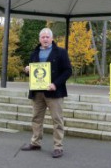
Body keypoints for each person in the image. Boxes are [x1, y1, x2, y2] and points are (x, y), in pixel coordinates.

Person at [21, 28, 73, 158]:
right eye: (43, 37)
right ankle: (35, 142)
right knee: (36, 118)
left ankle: (58, 147)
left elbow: (68, 71)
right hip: (37, 91)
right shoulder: (34, 53)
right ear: (39, 39)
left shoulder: (61, 52)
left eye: (47, 37)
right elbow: (33, 74)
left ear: (52, 38)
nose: (45, 39)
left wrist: (55, 84)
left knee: (57, 120)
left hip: (54, 92)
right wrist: (27, 70)